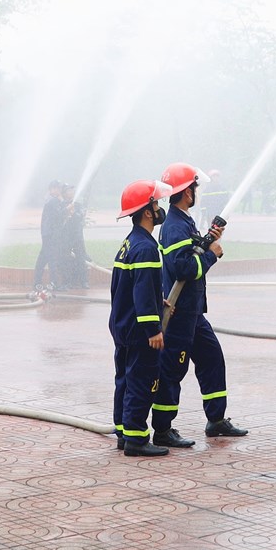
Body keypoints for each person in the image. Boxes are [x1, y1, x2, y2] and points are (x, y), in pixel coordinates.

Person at [150, 162, 247, 445]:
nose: (196, 191)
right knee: (172, 370)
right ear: (187, 192)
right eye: (194, 187)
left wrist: (207, 242)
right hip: (179, 313)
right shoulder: (174, 227)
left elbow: (190, 254)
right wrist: (212, 255)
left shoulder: (184, 222)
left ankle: (216, 420)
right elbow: (183, 268)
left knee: (212, 358)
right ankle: (163, 429)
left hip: (193, 312)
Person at [110, 179, 171, 458]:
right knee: (140, 381)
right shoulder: (146, 247)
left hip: (123, 326)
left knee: (124, 379)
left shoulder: (129, 243)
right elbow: (143, 291)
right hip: (139, 330)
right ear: (147, 212)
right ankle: (136, 438)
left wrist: (157, 301)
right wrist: (153, 328)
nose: (160, 209)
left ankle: (124, 432)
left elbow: (129, 287)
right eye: (156, 204)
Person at [33, 181, 66, 295]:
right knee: (52, 258)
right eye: (56, 188)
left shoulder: (50, 200)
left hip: (47, 233)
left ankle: (37, 282)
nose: (59, 190)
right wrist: (67, 209)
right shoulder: (53, 201)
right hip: (51, 234)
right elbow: (58, 216)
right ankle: (54, 283)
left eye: (59, 188)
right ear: (51, 189)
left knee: (43, 258)